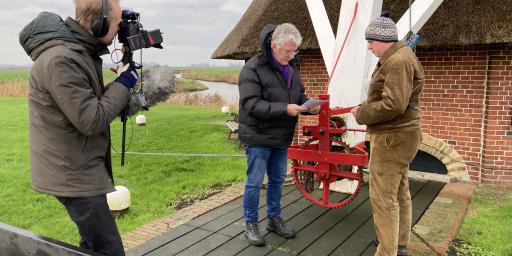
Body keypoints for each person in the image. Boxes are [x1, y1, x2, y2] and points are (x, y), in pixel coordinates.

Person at [19, 0, 138, 255]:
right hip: (72, 174)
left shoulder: (77, 52)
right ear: (100, 23)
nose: (119, 31)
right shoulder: (61, 59)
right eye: (117, 25)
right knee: (109, 249)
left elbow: (87, 106)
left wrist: (120, 86)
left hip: (77, 167)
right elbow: (91, 119)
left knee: (91, 245)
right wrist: (125, 82)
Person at [237, 23, 320, 246]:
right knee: (254, 182)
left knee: (277, 180)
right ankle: (250, 224)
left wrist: (310, 105)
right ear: (274, 46)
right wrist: (285, 109)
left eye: (295, 51)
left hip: (281, 136)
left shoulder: (292, 69)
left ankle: (274, 219)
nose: (292, 55)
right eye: (288, 51)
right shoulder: (251, 69)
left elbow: (299, 95)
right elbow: (251, 104)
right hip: (258, 136)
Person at [351, 15, 425, 256]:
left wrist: (362, 113)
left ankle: (387, 252)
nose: (369, 47)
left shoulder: (397, 61)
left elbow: (393, 105)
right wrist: (367, 104)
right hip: (400, 135)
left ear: (382, 39)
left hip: (393, 136)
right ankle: (399, 245)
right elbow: (390, 98)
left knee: (383, 198)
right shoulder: (398, 57)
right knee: (399, 192)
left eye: (370, 42)